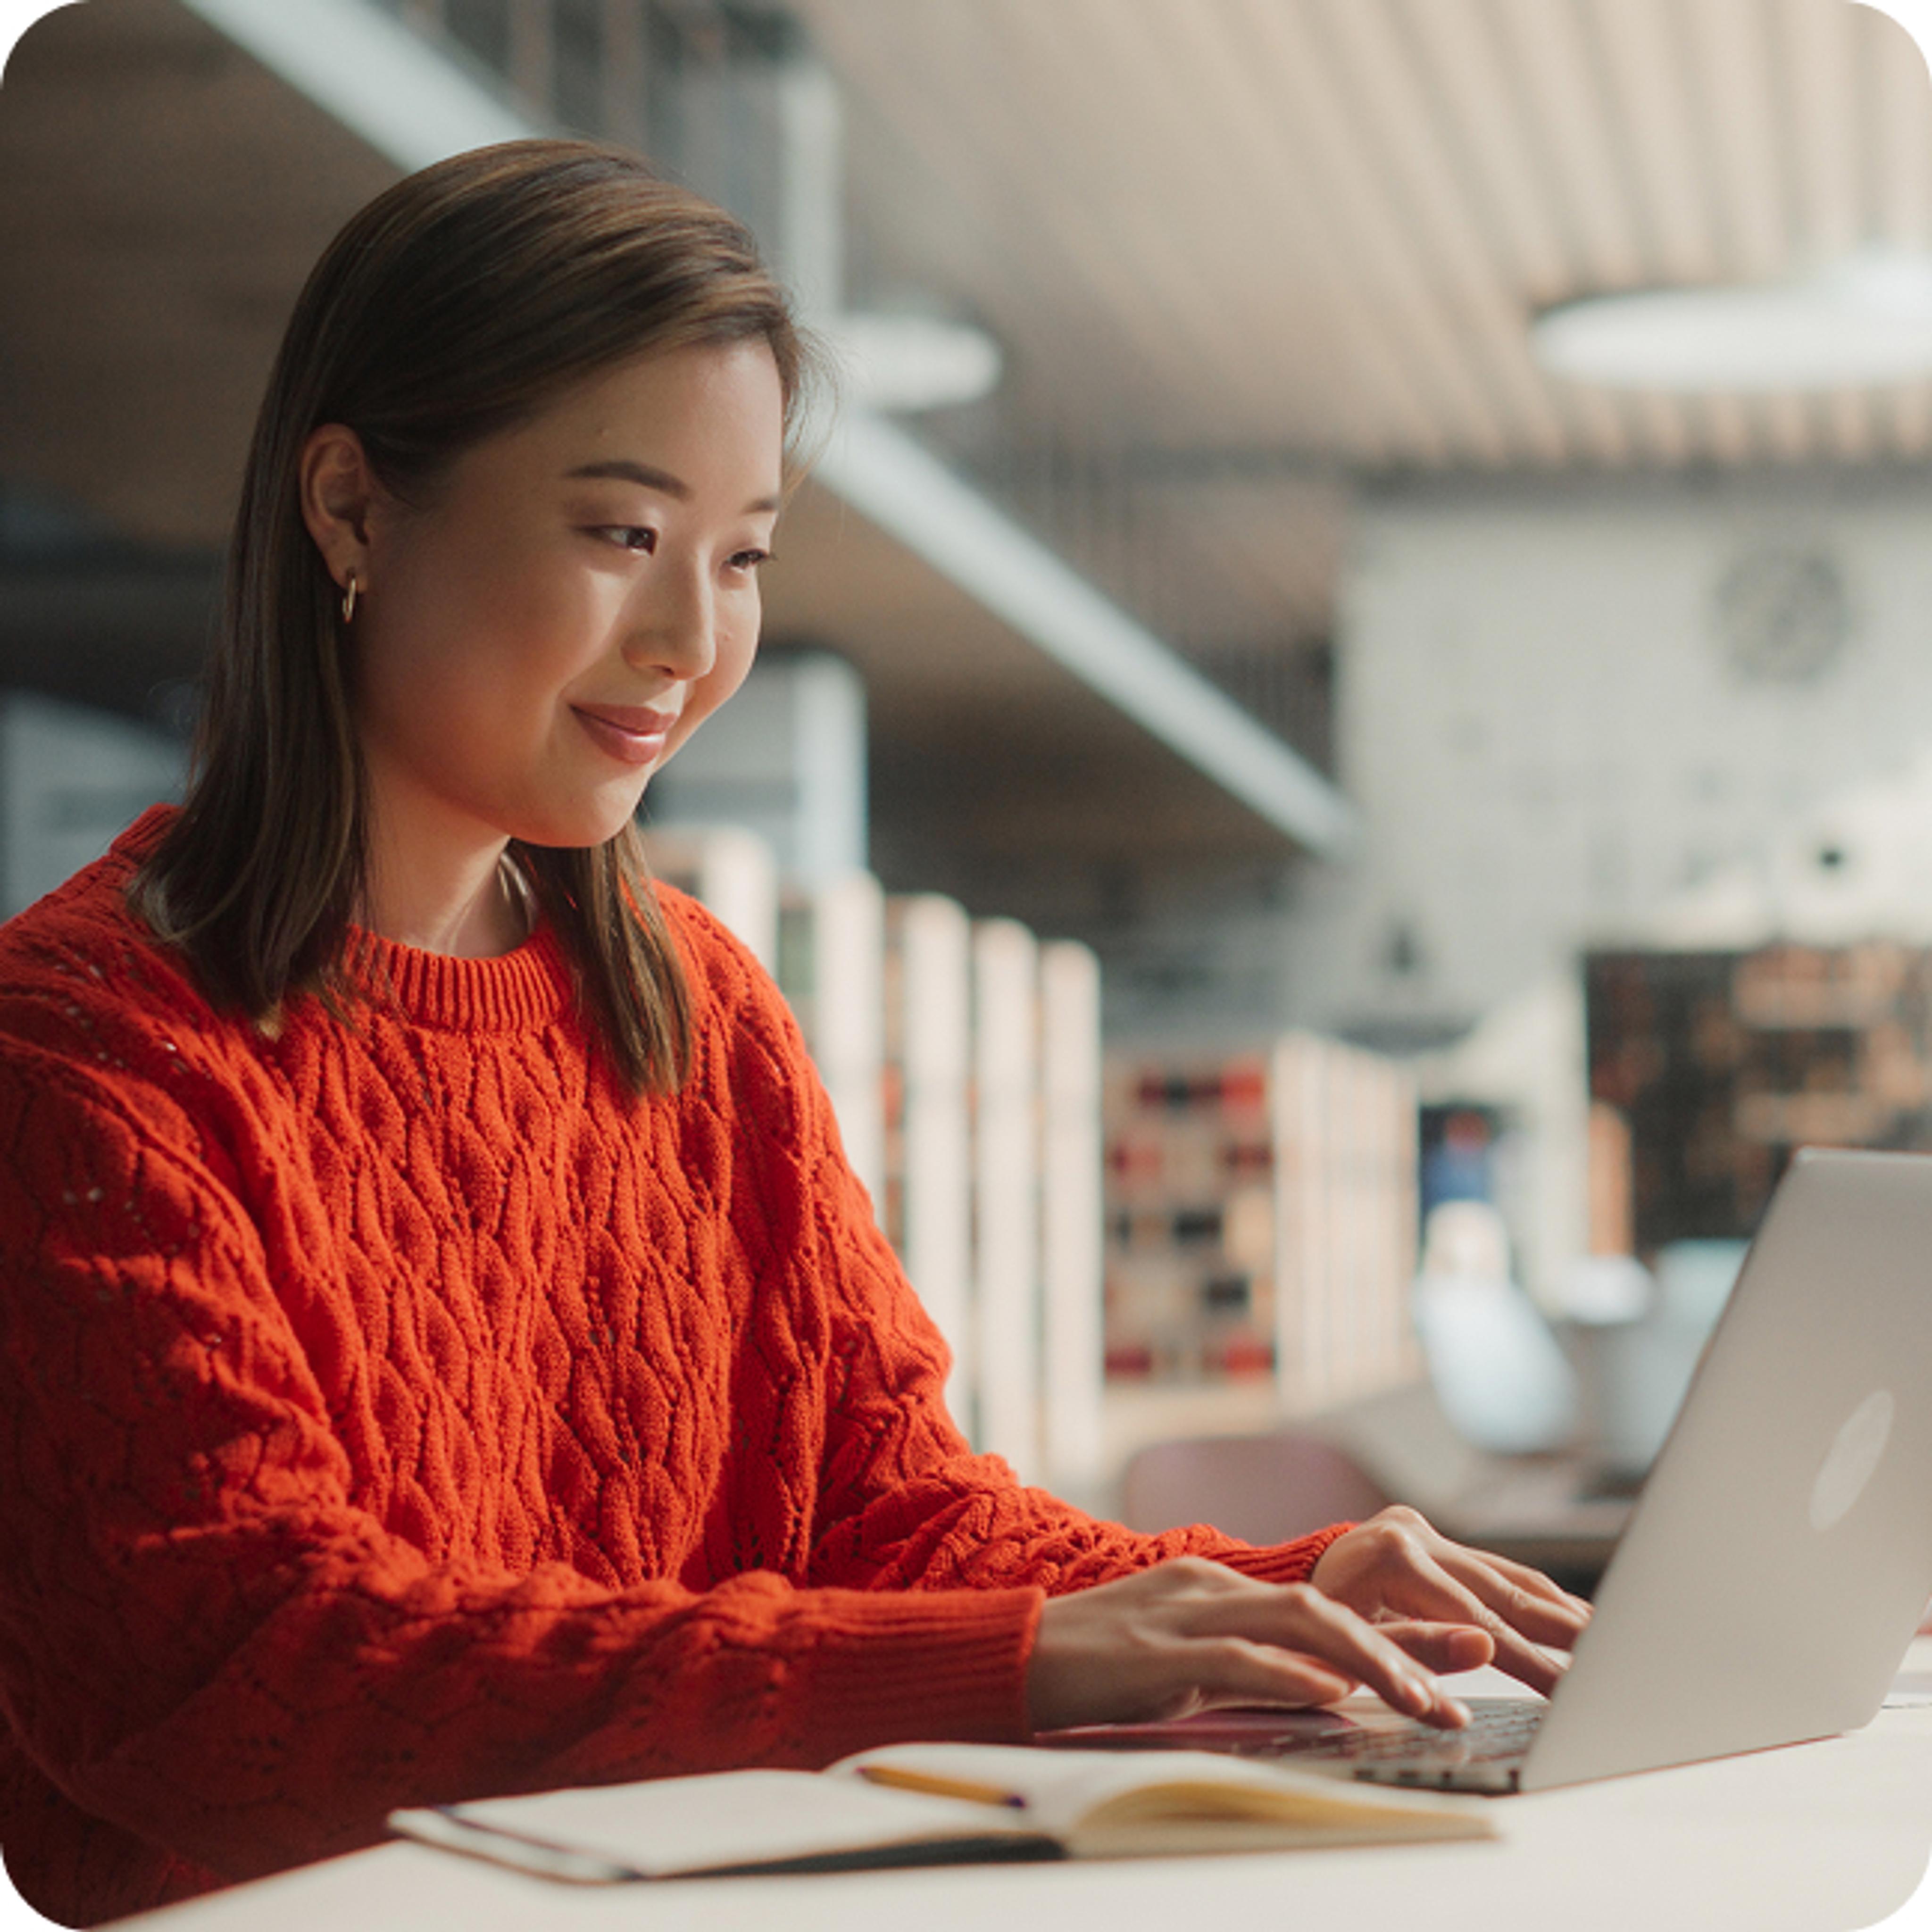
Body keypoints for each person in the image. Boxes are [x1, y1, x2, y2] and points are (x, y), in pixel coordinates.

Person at [0, 140, 1588, 1929]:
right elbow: (256, 1672)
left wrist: (1260, 1595)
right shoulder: (85, 1051)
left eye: (742, 554)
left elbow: (886, 1510)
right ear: (354, 507)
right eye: (623, 534)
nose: (692, 638)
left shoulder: (693, 1004)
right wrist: (1021, 1663)